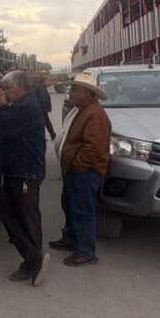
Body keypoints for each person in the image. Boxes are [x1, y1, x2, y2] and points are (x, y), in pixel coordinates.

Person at [0, 71, 52, 286]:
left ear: (19, 87)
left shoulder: (26, 108)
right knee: (11, 215)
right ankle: (32, 258)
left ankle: (34, 260)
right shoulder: (22, 105)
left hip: (24, 172)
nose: (4, 93)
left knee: (27, 218)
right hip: (17, 171)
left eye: (7, 89)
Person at [49, 72, 112, 266]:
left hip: (85, 172)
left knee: (83, 210)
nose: (71, 93)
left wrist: (77, 164)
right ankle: (71, 238)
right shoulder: (82, 110)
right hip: (76, 170)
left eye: (75, 90)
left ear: (86, 93)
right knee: (70, 205)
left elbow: (93, 148)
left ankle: (86, 251)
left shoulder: (95, 114)